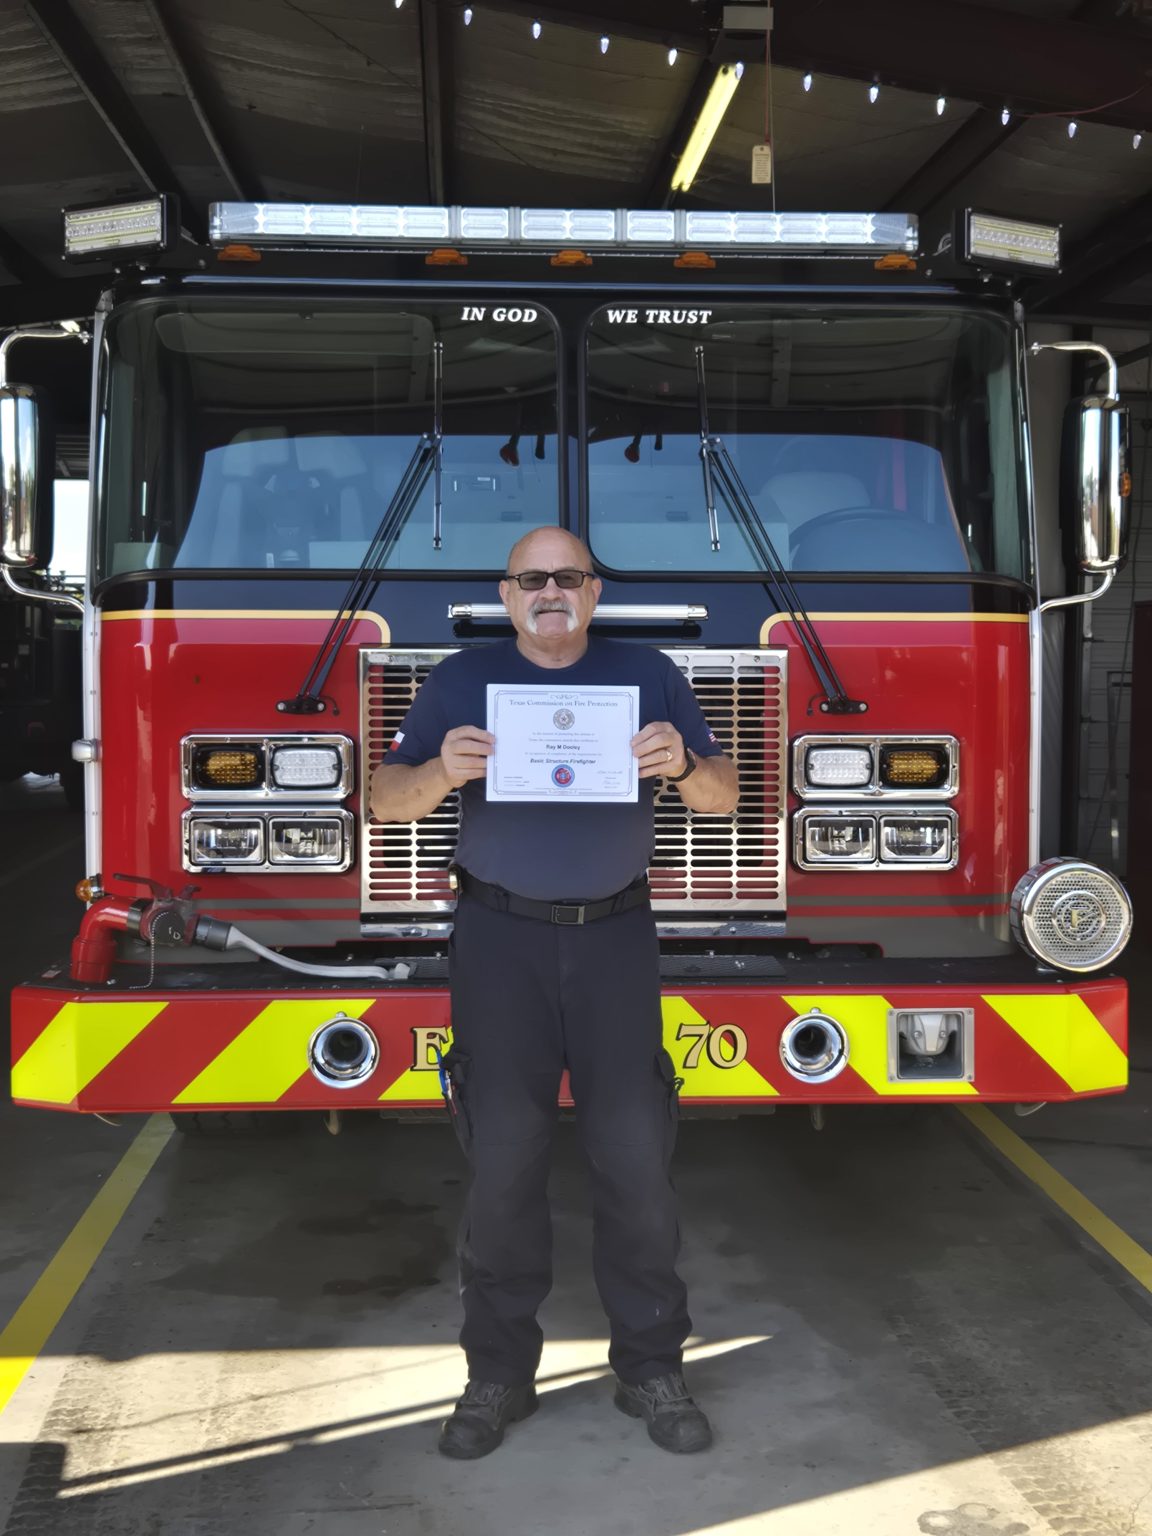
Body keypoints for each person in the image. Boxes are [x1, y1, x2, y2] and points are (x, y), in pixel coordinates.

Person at [370, 526, 739, 1460]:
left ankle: (651, 1366)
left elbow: (726, 798)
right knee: (502, 1163)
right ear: (506, 595)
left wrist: (684, 765)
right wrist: (442, 771)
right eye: (531, 578)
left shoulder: (649, 673)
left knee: (634, 1159)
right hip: (498, 941)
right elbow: (384, 798)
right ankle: (498, 1376)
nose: (549, 591)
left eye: (567, 577)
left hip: (616, 937)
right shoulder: (460, 681)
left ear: (593, 590)